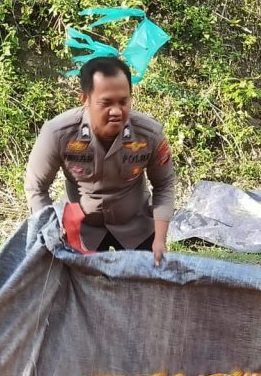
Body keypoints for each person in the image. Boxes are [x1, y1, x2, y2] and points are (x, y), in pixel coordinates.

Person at [24, 56, 175, 265]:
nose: (116, 111)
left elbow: (164, 184)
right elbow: (36, 187)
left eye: (123, 102)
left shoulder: (149, 133)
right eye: (106, 103)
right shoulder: (58, 133)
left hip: (136, 228)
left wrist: (160, 238)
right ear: (84, 99)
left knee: (145, 290)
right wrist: (51, 232)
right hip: (83, 231)